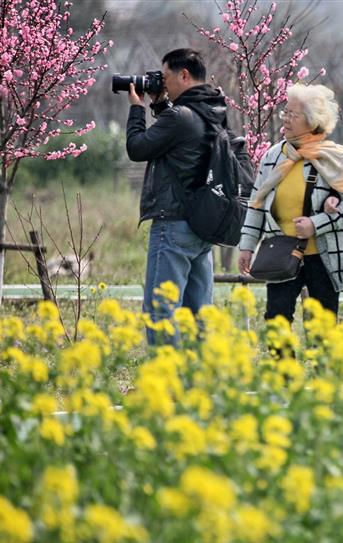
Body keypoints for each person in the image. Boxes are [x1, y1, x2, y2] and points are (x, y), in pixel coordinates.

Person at [237, 83, 343, 321]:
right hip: (281, 250)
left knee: (322, 325)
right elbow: (256, 203)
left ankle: (321, 361)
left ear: (313, 120)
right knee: (276, 319)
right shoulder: (273, 155)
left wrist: (317, 223)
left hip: (323, 254)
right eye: (285, 112)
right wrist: (247, 246)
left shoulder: (332, 155)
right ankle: (283, 361)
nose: (285, 119)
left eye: (292, 114)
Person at [126, 48, 226, 345]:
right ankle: (196, 383)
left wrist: (136, 109)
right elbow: (181, 142)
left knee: (161, 310)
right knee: (197, 313)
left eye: (165, 77)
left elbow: (138, 148)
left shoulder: (182, 116)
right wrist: (160, 106)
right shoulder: (213, 109)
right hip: (201, 225)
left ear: (184, 75)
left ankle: (165, 383)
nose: (161, 83)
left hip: (173, 224)